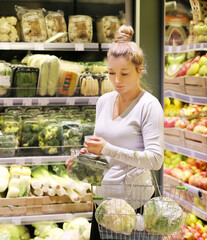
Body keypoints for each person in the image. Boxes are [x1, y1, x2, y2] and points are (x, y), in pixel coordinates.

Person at [65, 24, 164, 239]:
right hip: (103, 204)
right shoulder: (104, 101)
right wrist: (84, 160)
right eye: (111, 73)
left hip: (134, 208)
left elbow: (155, 160)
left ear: (140, 70)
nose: (116, 81)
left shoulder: (149, 105)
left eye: (124, 73)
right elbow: (101, 151)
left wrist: (108, 149)